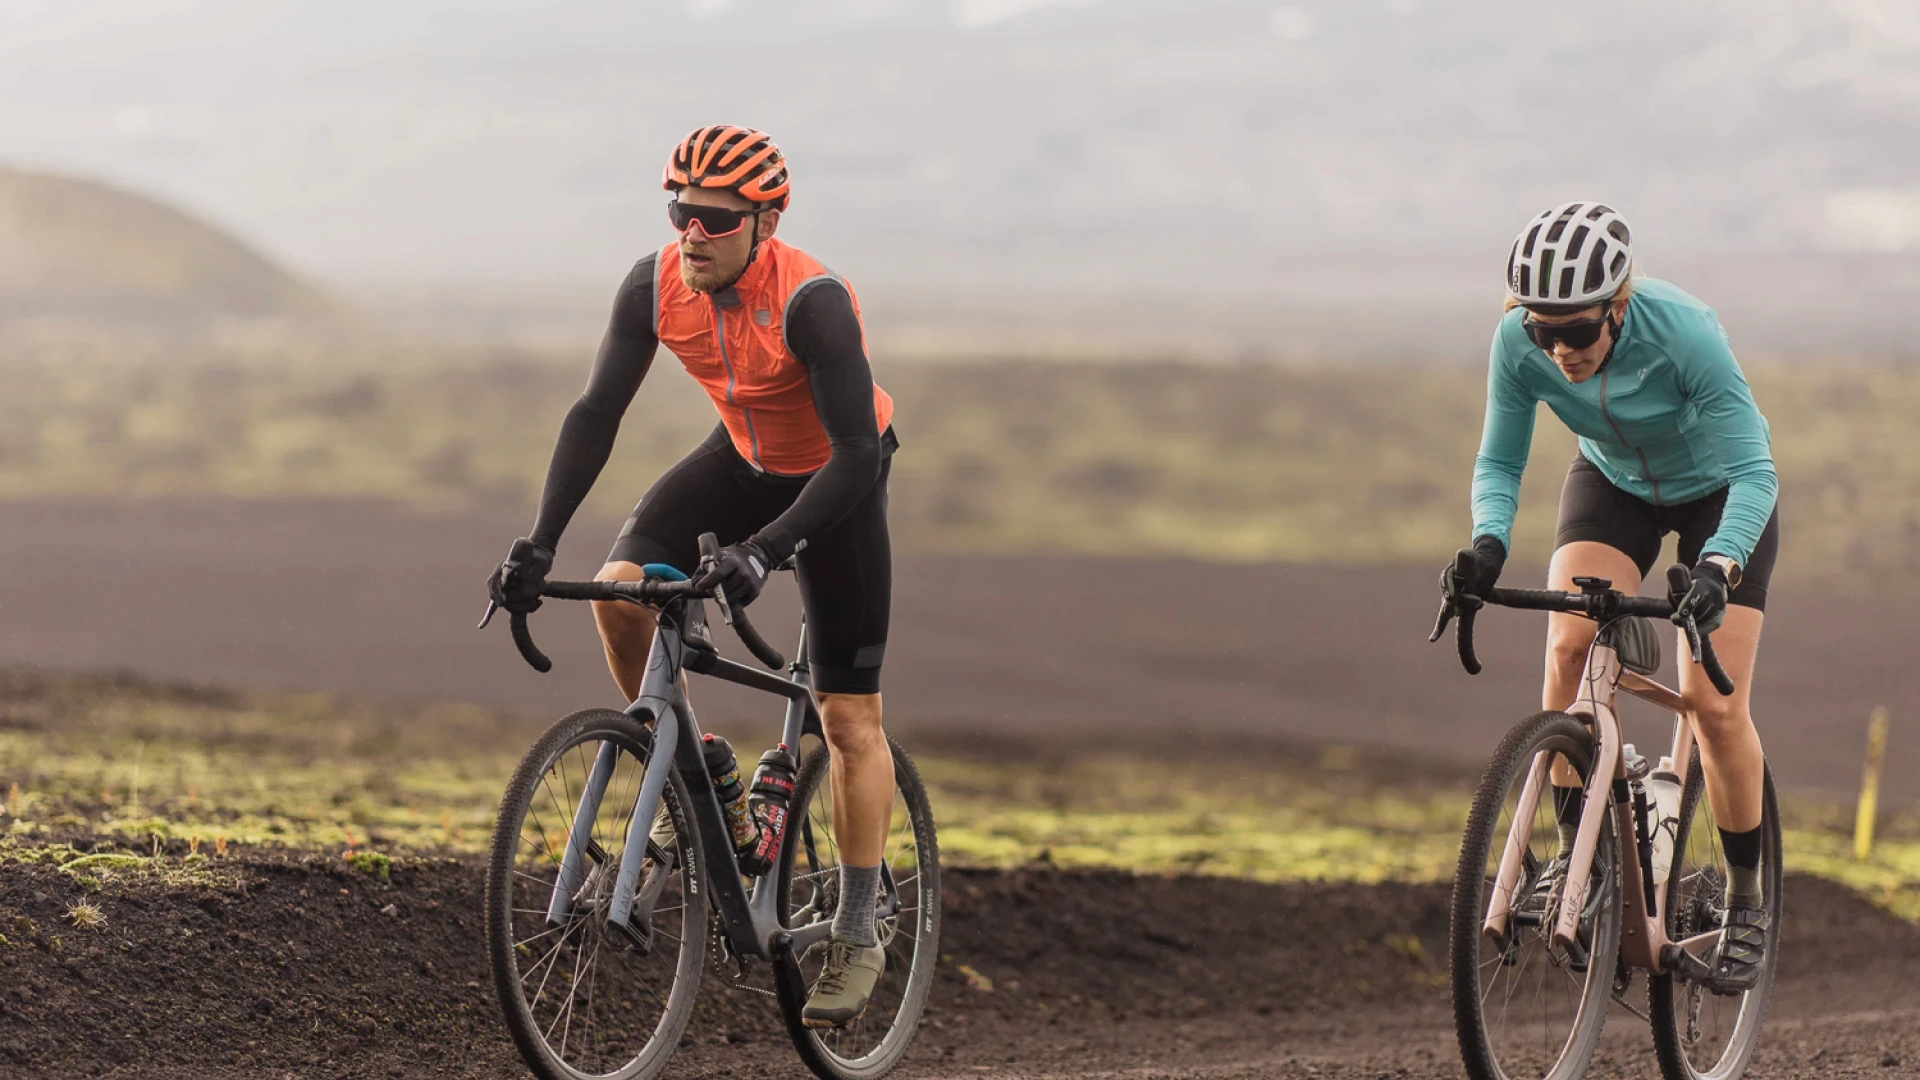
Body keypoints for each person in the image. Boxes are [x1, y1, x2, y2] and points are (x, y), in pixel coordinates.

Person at [487, 125, 898, 1026]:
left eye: (716, 219)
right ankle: (704, 779)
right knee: (622, 592)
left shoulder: (813, 304)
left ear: (766, 223)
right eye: (680, 214)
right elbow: (597, 412)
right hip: (742, 460)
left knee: (847, 718)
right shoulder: (654, 286)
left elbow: (855, 453)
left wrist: (765, 550)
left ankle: (858, 929)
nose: (693, 235)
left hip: (838, 478)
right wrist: (538, 544)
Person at [1442, 201, 1779, 993]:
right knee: (1567, 647)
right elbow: (1500, 462)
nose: (1560, 350)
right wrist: (1487, 546)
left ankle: (1747, 900)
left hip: (1721, 495)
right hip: (1614, 484)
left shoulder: (1685, 334)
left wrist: (1718, 568)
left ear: (1618, 308)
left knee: (1713, 705)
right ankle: (1579, 861)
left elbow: (1755, 471)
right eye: (1542, 331)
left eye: (1578, 331)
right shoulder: (1516, 342)